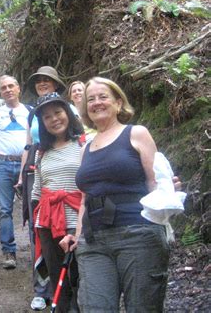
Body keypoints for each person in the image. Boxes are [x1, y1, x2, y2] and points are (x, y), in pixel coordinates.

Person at [61, 77, 170, 312]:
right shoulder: (85, 149)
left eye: (103, 97)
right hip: (93, 241)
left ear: (118, 103)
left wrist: (168, 204)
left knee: (143, 307)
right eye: (91, 99)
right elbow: (84, 199)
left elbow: (156, 181)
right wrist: (77, 236)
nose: (96, 103)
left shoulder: (136, 134)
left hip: (138, 233)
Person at [19, 66, 69, 310]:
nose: (42, 83)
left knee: (62, 230)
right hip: (37, 165)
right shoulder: (33, 113)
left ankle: (65, 291)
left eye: (46, 80)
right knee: (37, 229)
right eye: (38, 81)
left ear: (56, 83)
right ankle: (41, 287)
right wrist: (22, 174)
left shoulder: (64, 111)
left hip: (60, 167)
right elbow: (28, 146)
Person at [31, 93, 86, 313]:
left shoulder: (84, 143)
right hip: (47, 222)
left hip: (76, 220)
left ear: (68, 114)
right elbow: (37, 189)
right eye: (47, 117)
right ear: (42, 123)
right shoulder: (42, 151)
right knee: (57, 276)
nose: (54, 119)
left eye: (58, 113)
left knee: (80, 276)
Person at [0, 75, 31, 270]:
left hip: (28, 165)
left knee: (33, 208)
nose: (8, 90)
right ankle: (8, 251)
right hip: (2, 164)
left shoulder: (30, 112)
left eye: (11, 86)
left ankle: (38, 251)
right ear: (0, 92)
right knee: (4, 210)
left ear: (18, 88)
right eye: (4, 88)